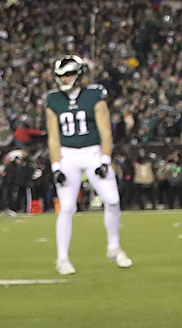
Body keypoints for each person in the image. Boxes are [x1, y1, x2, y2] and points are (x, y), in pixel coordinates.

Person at [44, 54, 131, 276]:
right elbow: (53, 136)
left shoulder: (94, 95)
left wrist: (104, 159)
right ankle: (62, 258)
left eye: (68, 75)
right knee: (67, 207)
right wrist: (56, 166)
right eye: (61, 76)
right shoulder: (53, 100)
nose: (64, 80)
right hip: (68, 155)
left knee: (112, 200)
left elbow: (105, 131)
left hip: (93, 153)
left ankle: (114, 246)